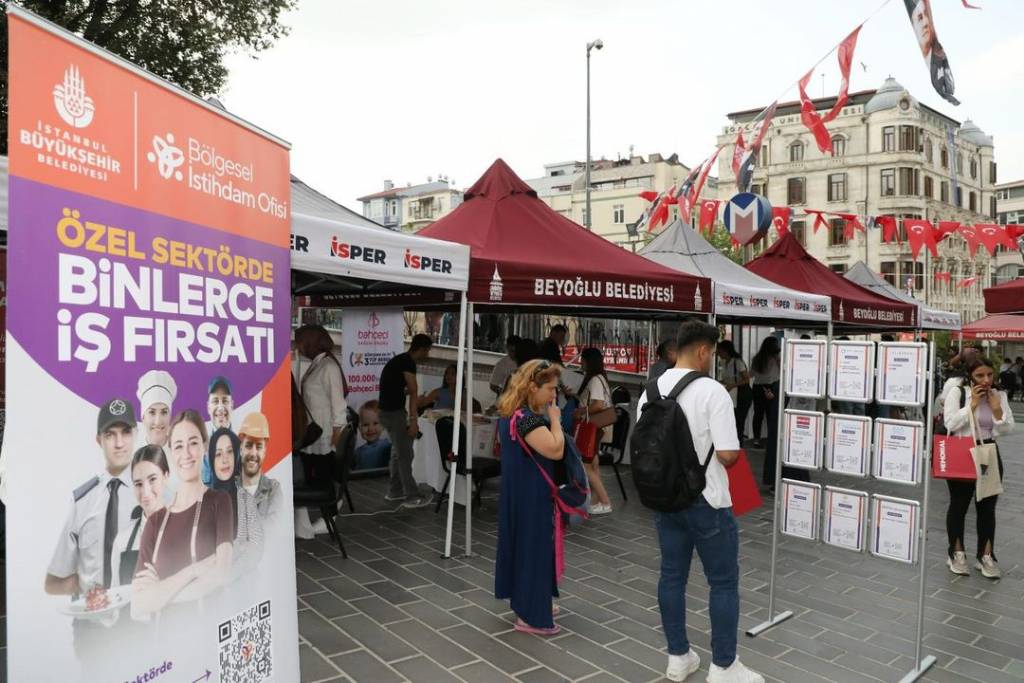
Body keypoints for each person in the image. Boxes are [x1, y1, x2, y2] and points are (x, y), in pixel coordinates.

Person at [638, 321, 763, 683]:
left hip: (666, 499)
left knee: (672, 576)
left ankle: (678, 657)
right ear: (704, 350)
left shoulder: (651, 389)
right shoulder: (712, 391)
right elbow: (727, 455)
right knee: (723, 582)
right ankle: (724, 666)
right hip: (708, 499)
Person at [46, 399, 138, 660]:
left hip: (138, 628)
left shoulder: (153, 494)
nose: (119, 443)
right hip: (92, 634)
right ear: (99, 440)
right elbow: (53, 581)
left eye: (125, 432)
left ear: (136, 435)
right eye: (111, 434)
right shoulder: (83, 501)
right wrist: (86, 588)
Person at [132, 411, 233, 619]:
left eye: (193, 443)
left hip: (207, 637)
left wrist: (160, 593)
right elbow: (139, 603)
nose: (186, 453)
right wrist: (194, 571)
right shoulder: (155, 522)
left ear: (205, 446)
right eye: (178, 446)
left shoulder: (219, 502)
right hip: (163, 644)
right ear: (170, 452)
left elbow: (221, 573)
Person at [494, 359, 565, 636]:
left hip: (519, 492)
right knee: (533, 550)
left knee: (522, 547)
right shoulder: (528, 420)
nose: (553, 395)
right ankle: (531, 614)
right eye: (550, 388)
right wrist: (556, 421)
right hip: (531, 496)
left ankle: (529, 600)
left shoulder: (511, 413)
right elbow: (555, 450)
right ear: (532, 387)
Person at [942, 358, 1013, 579]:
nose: (986, 380)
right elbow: (951, 424)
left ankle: (986, 555)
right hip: (962, 450)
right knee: (959, 504)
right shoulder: (958, 392)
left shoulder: (998, 395)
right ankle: (956, 552)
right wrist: (971, 405)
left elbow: (1007, 428)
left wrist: (996, 409)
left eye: (990, 375)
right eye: (980, 376)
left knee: (987, 507)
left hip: (989, 451)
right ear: (970, 375)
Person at [294, 324, 348, 539]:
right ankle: (310, 520)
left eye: (300, 341)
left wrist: (337, 434)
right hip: (313, 433)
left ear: (311, 341)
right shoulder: (317, 364)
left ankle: (330, 518)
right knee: (311, 475)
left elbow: (339, 403)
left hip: (325, 434)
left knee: (323, 476)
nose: (298, 346)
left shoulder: (329, 367)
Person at [379, 334, 434, 507]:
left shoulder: (400, 360)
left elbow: (397, 388)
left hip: (387, 412)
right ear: (423, 349)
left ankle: (394, 492)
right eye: (427, 351)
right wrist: (413, 421)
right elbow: (413, 391)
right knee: (405, 454)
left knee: (397, 453)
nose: (428, 355)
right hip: (394, 414)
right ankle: (412, 496)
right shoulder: (407, 362)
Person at [111, 445, 170, 589]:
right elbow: (116, 598)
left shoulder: (187, 532)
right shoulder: (122, 541)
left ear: (166, 477)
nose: (145, 491)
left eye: (152, 479)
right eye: (138, 484)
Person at [208, 427, 263, 576]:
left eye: (230, 452)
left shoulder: (245, 498)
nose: (225, 459)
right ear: (211, 459)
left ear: (237, 456)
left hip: (243, 585)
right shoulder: (202, 500)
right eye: (218, 454)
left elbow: (257, 547)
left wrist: (230, 573)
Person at [576, 347, 614, 515]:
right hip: (598, 428)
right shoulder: (600, 378)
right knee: (593, 464)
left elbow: (598, 404)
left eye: (583, 360)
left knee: (585, 465)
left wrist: (581, 411)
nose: (580, 363)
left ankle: (605, 501)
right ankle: (596, 501)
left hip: (592, 428)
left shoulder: (595, 380)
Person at [238, 412, 281, 520]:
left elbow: (275, 531)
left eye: (259, 446)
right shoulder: (229, 489)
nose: (253, 453)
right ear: (240, 449)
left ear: (265, 451)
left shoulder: (273, 490)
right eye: (248, 445)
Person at [717, 340, 753, 443]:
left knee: (739, 421)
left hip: (742, 394)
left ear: (725, 350)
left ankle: (739, 445)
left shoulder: (737, 362)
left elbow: (746, 379)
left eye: (719, 351)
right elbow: (728, 378)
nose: (718, 354)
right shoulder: (724, 362)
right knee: (732, 420)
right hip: (732, 395)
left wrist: (733, 385)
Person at [202, 376, 234, 485]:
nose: (220, 408)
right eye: (215, 401)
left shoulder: (243, 448)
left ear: (232, 405)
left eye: (225, 401)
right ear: (208, 407)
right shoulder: (200, 450)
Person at [749, 337, 779, 449]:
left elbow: (751, 374)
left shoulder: (757, 358)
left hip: (758, 387)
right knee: (771, 414)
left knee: (758, 414)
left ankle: (756, 439)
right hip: (771, 387)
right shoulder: (776, 358)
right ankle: (772, 439)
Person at [136, 370, 177, 450]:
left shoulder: (180, 453)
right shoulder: (131, 453)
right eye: (152, 412)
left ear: (170, 416)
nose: (158, 421)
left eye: (164, 412)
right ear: (143, 416)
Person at [354, 400, 392, 470]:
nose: (371, 429)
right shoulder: (357, 452)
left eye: (375, 423)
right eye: (365, 425)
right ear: (359, 427)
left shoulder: (386, 447)